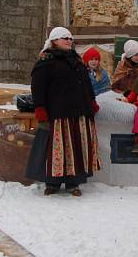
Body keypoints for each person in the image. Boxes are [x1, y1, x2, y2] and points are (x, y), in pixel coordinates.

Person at [25, 27, 101, 197]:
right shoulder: (46, 62)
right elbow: (38, 88)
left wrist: (92, 101)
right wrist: (40, 108)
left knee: (76, 148)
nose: (69, 40)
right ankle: (52, 182)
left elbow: (86, 84)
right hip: (58, 114)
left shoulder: (77, 60)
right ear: (54, 41)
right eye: (64, 38)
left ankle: (73, 183)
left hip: (79, 112)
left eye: (70, 38)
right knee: (56, 149)